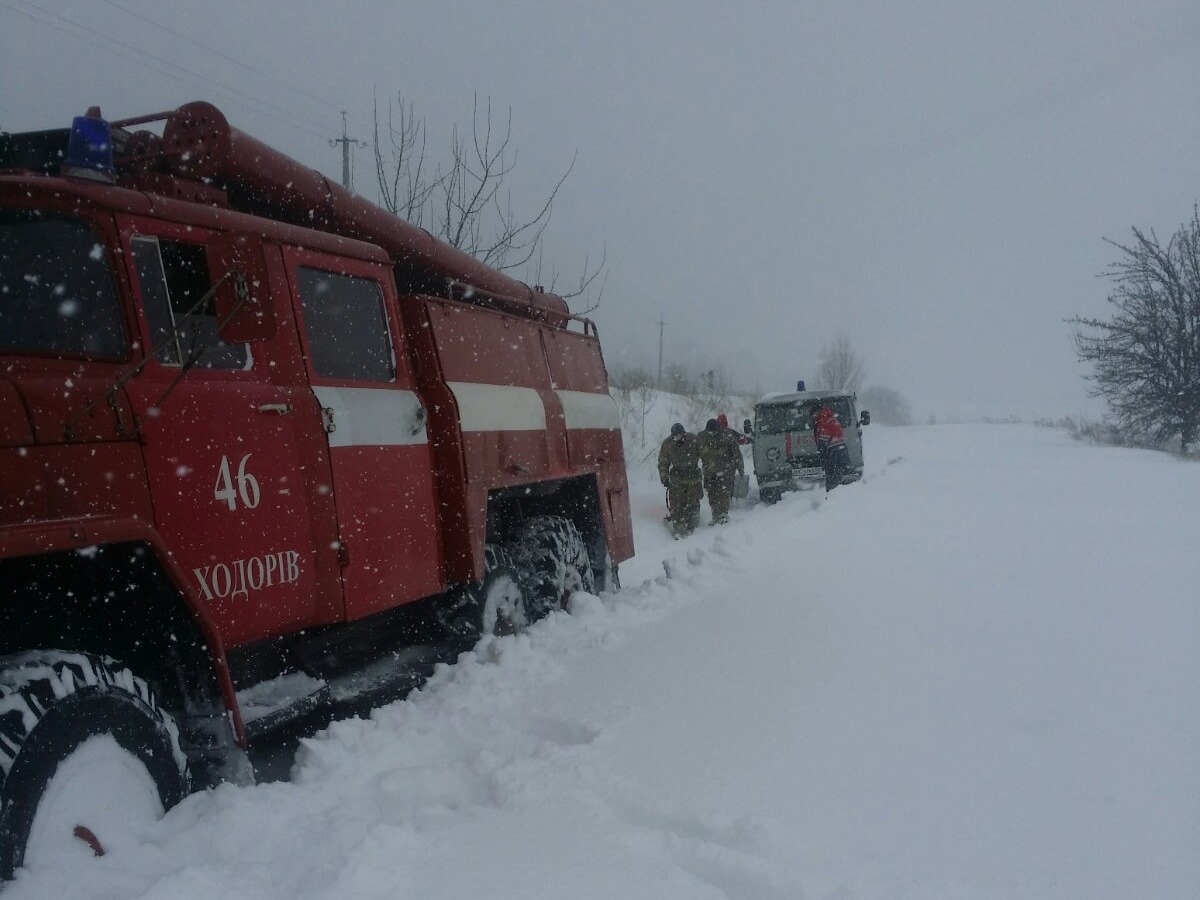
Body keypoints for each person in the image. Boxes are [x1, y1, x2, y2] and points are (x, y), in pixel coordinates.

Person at [658, 422, 703, 538]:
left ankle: (693, 526)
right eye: (675, 436)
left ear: (684, 433)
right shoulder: (667, 444)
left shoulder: (694, 439)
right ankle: (679, 528)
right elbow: (663, 462)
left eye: (679, 435)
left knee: (693, 502)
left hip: (693, 476)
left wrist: (709, 469)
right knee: (677, 504)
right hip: (677, 478)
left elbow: (704, 454)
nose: (677, 438)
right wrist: (664, 478)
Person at [697, 418, 744, 524]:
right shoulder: (701, 437)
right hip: (709, 472)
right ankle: (715, 514)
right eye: (710, 431)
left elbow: (737, 454)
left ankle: (723, 514)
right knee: (712, 493)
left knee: (723, 492)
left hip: (725, 470)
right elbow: (695, 452)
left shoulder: (727, 437)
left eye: (714, 431)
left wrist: (740, 468)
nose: (712, 434)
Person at [809, 403, 849, 492]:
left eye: (813, 415)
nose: (812, 418)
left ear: (816, 413)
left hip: (833, 456)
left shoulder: (823, 423)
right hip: (841, 453)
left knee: (832, 484)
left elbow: (823, 444)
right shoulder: (832, 419)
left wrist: (823, 460)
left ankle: (832, 500)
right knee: (839, 481)